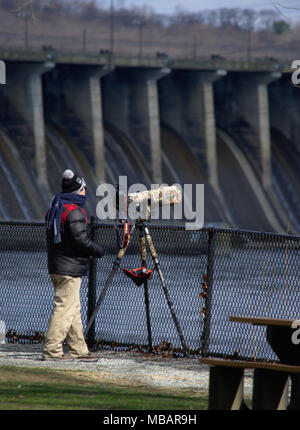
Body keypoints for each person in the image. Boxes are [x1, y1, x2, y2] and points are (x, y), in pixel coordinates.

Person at [42, 169, 104, 362]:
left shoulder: (56, 208)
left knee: (73, 308)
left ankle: (79, 350)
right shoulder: (74, 211)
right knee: (64, 308)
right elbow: (80, 239)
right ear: (79, 190)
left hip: (57, 266)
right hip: (69, 269)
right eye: (84, 188)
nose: (86, 192)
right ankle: (52, 351)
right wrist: (97, 250)